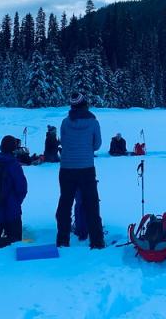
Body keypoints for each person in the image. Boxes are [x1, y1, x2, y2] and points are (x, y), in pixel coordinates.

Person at [55, 93, 105, 249]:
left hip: (66, 168)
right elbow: (97, 145)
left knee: (65, 203)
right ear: (85, 105)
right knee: (91, 204)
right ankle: (96, 242)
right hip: (86, 168)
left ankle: (63, 240)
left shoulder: (65, 122)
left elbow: (63, 141)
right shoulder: (93, 122)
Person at [0, 135, 28, 246]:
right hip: (11, 211)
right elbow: (22, 188)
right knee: (15, 242)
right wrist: (15, 202)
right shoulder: (13, 165)